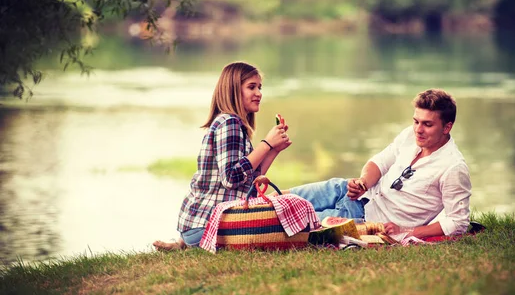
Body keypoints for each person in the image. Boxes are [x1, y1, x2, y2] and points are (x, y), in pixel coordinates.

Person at [286, 89, 471, 241]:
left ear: (447, 127)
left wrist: (409, 231)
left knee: (286, 220)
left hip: (364, 221)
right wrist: (363, 183)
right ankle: (255, 199)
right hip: (348, 191)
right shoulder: (410, 135)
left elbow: (458, 221)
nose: (418, 130)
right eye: (416, 121)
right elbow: (380, 162)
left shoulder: (453, 167)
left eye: (427, 124)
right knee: (281, 197)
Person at [153, 61, 291, 251]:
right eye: (251, 87)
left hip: (197, 227)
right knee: (294, 199)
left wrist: (274, 149)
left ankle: (183, 244)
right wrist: (266, 143)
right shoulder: (229, 123)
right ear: (234, 90)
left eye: (259, 87)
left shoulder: (234, 126)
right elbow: (231, 178)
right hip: (208, 226)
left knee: (288, 201)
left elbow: (249, 181)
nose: (258, 93)